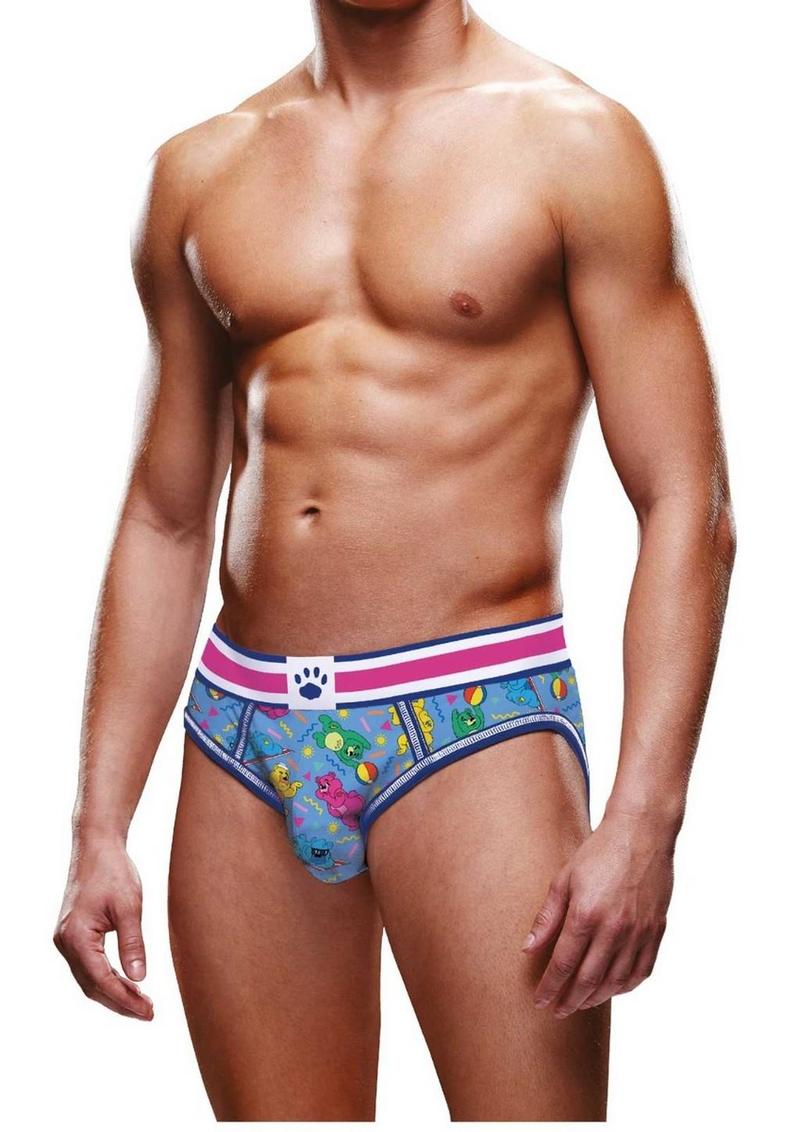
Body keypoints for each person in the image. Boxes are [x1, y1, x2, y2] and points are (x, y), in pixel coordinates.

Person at [53, 0, 736, 1121]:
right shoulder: (202, 170)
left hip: (474, 718)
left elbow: (685, 504)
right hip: (241, 730)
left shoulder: (573, 142)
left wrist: (645, 820)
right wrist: (96, 827)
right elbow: (166, 516)